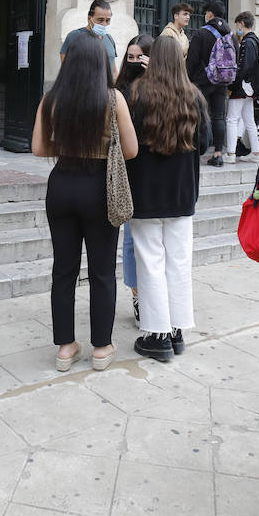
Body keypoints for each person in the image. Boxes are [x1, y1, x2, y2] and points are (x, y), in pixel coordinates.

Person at [33, 34, 137, 372]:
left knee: (63, 269)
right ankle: (102, 347)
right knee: (102, 271)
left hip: (61, 185)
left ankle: (65, 348)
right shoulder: (113, 98)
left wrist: (66, 149)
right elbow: (132, 150)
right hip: (99, 187)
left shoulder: (50, 99)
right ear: (103, 63)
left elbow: (38, 149)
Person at [126, 35, 207, 361]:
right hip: (182, 192)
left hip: (145, 192)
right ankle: (176, 331)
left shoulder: (138, 94)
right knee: (178, 262)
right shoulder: (194, 96)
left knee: (150, 263)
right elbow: (205, 142)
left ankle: (157, 335)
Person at [114, 35, 156, 322]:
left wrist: (155, 74)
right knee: (131, 239)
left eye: (140, 57)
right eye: (130, 57)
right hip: (128, 170)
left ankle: (153, 295)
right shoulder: (119, 90)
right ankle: (138, 296)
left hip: (154, 171)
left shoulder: (159, 88)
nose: (134, 63)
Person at [185, 0, 231, 166]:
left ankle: (198, 149)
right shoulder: (229, 34)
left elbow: (192, 60)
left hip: (202, 81)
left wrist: (188, 79)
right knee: (219, 116)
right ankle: (218, 154)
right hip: (222, 82)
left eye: (206, 13)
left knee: (199, 115)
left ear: (210, 14)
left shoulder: (201, 33)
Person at [225, 11, 259, 163]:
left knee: (232, 119)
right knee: (249, 120)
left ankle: (230, 154)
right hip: (250, 87)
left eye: (237, 25)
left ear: (241, 23)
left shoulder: (248, 42)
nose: (237, 28)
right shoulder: (256, 41)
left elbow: (244, 67)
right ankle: (255, 153)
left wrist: (232, 85)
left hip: (242, 87)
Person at [59, 0, 117, 70]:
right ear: (89, 18)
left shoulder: (109, 39)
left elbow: (114, 72)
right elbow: (65, 71)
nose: (104, 24)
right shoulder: (75, 36)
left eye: (108, 20)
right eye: (100, 20)